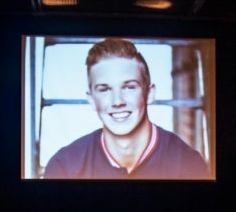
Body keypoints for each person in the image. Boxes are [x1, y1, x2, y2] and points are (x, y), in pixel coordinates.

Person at [44, 38, 210, 180]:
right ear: (92, 100)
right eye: (104, 89)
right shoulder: (64, 166)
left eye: (129, 87)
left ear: (149, 93)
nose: (117, 101)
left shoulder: (188, 163)